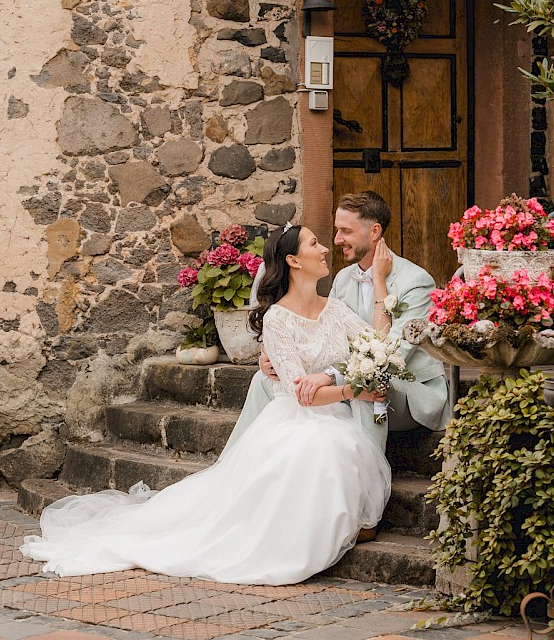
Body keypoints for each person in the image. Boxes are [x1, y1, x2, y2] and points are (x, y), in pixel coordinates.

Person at [20, 223, 394, 585]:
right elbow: (301, 394)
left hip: (334, 416)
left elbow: (376, 345)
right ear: (293, 261)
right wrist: (353, 391)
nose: (325, 248)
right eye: (314, 244)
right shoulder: (278, 319)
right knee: (322, 450)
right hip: (298, 419)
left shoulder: (335, 309)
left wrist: (379, 282)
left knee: (338, 447)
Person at [224, 191, 450, 456]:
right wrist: (274, 357)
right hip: (357, 374)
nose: (336, 240)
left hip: (408, 390)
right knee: (264, 380)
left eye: (346, 231)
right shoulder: (343, 278)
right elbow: (326, 335)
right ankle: (247, 459)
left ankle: (368, 468)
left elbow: (392, 354)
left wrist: (330, 376)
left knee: (364, 386)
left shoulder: (415, 281)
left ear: (374, 232)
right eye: (337, 230)